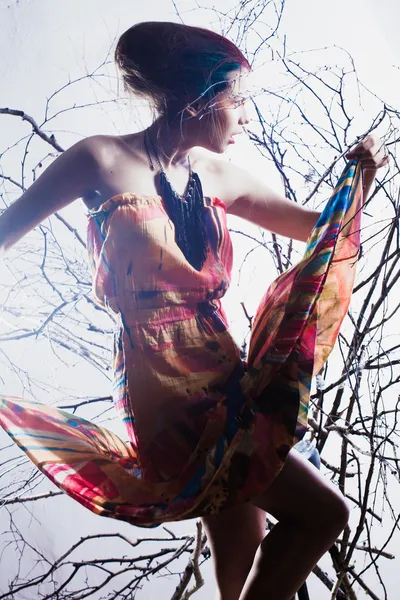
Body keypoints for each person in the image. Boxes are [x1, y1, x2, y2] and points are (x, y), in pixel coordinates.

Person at [0, 21, 389, 600]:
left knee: (240, 559)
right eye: (238, 101)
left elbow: (317, 229)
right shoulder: (99, 160)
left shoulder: (214, 174)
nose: (245, 117)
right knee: (324, 514)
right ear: (199, 99)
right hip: (163, 389)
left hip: (227, 377)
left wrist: (357, 181)